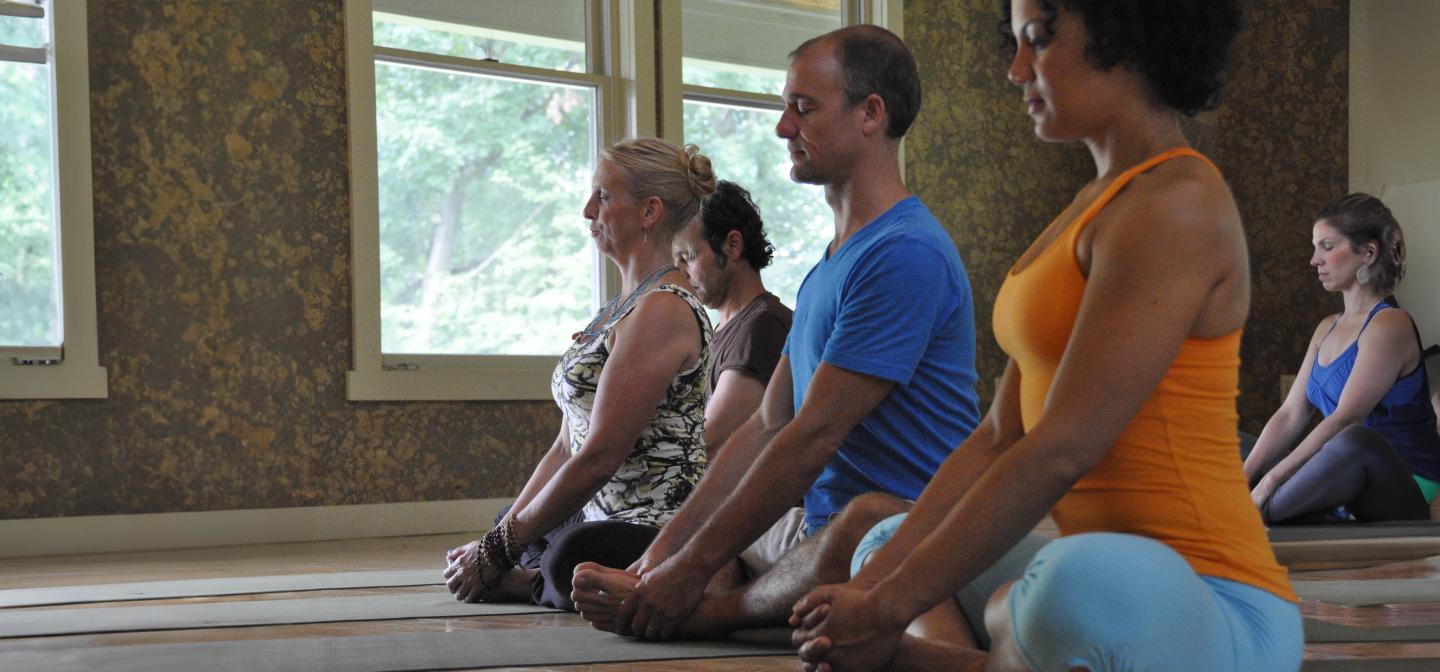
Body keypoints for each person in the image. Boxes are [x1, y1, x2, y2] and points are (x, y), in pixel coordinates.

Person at [788, 1, 1303, 671]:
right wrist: (877, 587)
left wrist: (887, 609)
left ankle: (983, 646)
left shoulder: (1179, 200)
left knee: (1070, 587)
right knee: (887, 542)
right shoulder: (1089, 208)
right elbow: (998, 438)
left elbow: (1062, 447)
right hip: (1105, 576)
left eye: (1038, 39)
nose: (1015, 69)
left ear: (1129, 39)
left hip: (1216, 603)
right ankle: (1003, 650)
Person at [571, 25, 983, 642]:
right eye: (785, 107)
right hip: (816, 528)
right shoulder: (830, 264)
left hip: (901, 530)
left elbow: (813, 435)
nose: (783, 127)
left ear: (871, 113)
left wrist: (692, 572)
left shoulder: (904, 253)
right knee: (688, 550)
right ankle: (709, 596)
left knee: (853, 528)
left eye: (803, 107)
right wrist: (662, 557)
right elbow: (766, 425)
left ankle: (719, 614)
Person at [442, 138, 716, 610]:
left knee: (569, 554)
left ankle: (535, 583)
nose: (588, 210)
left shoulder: (663, 310)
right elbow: (565, 446)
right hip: (597, 512)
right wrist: (499, 539)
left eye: (603, 197)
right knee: (516, 516)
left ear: (649, 212)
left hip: (652, 525)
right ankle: (538, 575)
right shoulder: (621, 308)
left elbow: (599, 456)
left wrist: (495, 554)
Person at [1245, 193, 1440, 524]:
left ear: (1368, 253)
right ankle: (1248, 504)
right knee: (1234, 446)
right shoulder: (1326, 328)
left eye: (1327, 246)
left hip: (1405, 482)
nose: (1314, 260)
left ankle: (1257, 509)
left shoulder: (1390, 324)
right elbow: (1290, 414)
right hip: (1343, 471)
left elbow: (1346, 418)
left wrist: (1268, 482)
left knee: (1355, 439)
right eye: (1315, 246)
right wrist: (1243, 477)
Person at [673, 180, 794, 455]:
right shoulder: (720, 330)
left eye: (688, 256)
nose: (680, 271)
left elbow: (708, 441)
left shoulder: (762, 327)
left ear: (733, 245)